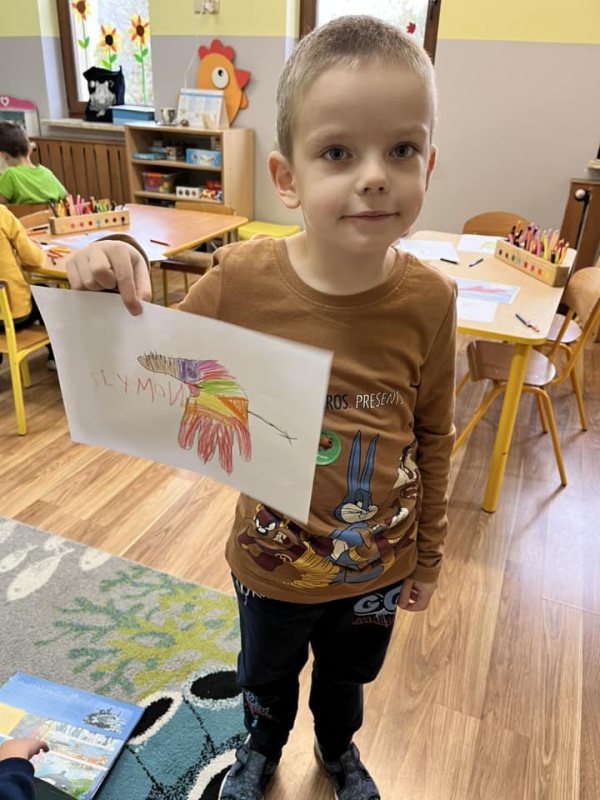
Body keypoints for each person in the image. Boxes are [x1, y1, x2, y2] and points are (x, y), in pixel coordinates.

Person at [65, 15, 456, 800]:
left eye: (401, 150)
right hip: (271, 564)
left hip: (376, 566)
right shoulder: (242, 279)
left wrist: (430, 555)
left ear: (429, 163)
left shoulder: (430, 300)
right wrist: (110, 265)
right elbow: (148, 353)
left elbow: (433, 433)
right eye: (338, 152)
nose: (374, 177)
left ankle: (338, 751)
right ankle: (260, 747)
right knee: (266, 678)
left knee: (346, 681)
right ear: (286, 177)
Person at [0, 205, 56, 368]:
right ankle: (55, 356)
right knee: (43, 291)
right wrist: (37, 249)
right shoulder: (2, 214)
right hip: (15, 316)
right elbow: (33, 258)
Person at [0, 121, 66, 205]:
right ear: (30, 149)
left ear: (3, 155)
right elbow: (66, 198)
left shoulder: (10, 175)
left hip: (22, 214)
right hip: (50, 213)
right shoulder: (46, 173)